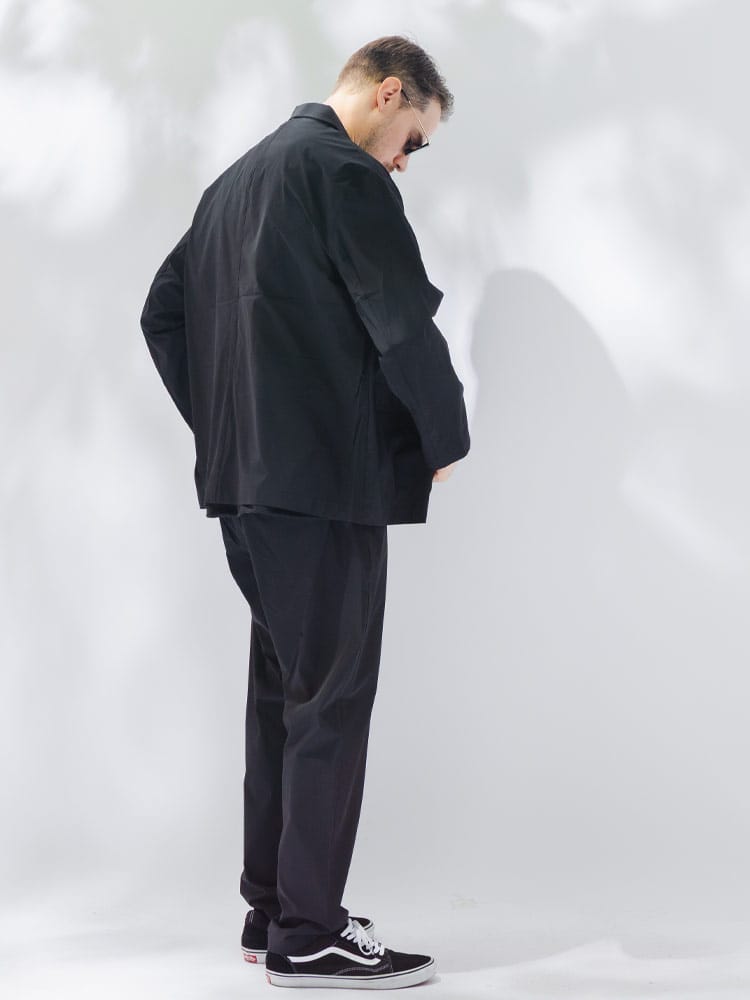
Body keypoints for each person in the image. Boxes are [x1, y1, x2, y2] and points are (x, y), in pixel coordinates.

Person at [139, 34, 470, 990]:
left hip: (246, 487)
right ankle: (311, 935)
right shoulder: (343, 174)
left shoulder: (232, 184)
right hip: (321, 484)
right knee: (329, 699)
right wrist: (444, 434)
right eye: (414, 139)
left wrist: (231, 425)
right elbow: (399, 314)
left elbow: (163, 313)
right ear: (389, 92)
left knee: (283, 693)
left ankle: (273, 907)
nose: (404, 160)